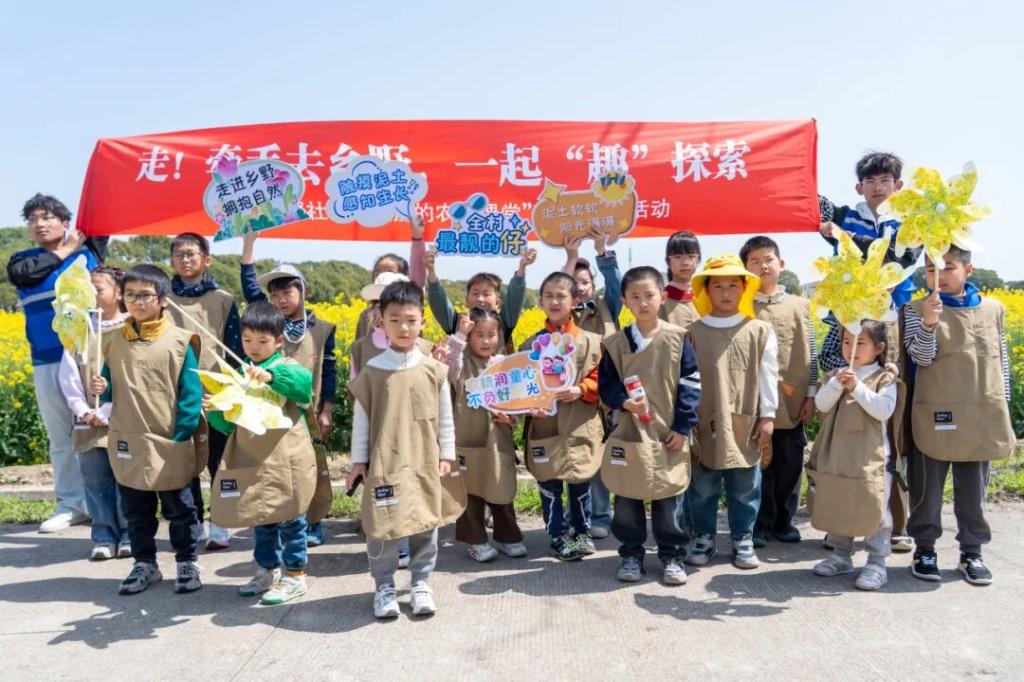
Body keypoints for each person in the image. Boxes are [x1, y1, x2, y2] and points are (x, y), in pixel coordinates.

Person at [346, 281, 465, 619]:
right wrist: (358, 462)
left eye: (411, 320)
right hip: (385, 463)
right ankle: (384, 585)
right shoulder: (373, 371)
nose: (403, 327)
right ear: (380, 321)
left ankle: (421, 582)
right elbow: (361, 421)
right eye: (394, 320)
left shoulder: (434, 369)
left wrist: (447, 455)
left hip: (424, 461)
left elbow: (445, 417)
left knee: (426, 522)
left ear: (422, 322)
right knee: (382, 525)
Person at [88, 265, 204, 595]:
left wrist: (181, 434)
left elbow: (191, 392)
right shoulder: (112, 341)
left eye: (145, 295)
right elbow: (110, 387)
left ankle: (187, 561)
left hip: (169, 438)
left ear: (163, 299)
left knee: (180, 509)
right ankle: (145, 564)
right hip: (128, 437)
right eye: (131, 295)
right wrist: (102, 387)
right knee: (136, 511)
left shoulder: (180, 341)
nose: (137, 301)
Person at [903, 246, 1015, 586]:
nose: (938, 276)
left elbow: (1000, 362)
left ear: (968, 269)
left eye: (948, 267)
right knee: (927, 489)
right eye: (930, 270)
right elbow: (920, 358)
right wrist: (929, 322)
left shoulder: (993, 309)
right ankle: (925, 549)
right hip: (935, 410)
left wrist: (1003, 406)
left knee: (973, 490)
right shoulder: (914, 309)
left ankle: (972, 551)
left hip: (981, 412)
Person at [8, 193, 108, 533]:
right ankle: (71, 503)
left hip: (90, 357)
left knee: (99, 429)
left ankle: (107, 505)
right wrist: (68, 249)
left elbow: (105, 211)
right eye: (33, 219)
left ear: (65, 222)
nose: (39, 224)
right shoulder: (23, 261)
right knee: (61, 436)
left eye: (47, 217)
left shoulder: (90, 254)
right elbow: (27, 275)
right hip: (47, 359)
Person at [206, 302, 317, 605]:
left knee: (292, 519)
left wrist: (269, 377)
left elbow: (302, 388)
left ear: (279, 341)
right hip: (252, 459)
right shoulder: (238, 373)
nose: (253, 348)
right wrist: (216, 410)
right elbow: (229, 425)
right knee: (261, 518)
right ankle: (266, 570)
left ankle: (295, 575)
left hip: (286, 459)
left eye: (262, 341)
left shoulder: (287, 366)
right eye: (247, 340)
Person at [598, 266, 700, 584]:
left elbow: (691, 384)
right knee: (627, 497)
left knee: (668, 499)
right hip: (629, 432)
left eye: (649, 295)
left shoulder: (677, 338)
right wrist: (622, 401)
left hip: (668, 431)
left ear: (663, 297)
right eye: (635, 297)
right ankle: (631, 555)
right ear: (624, 302)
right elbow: (606, 385)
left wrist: (682, 427)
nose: (643, 303)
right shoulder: (616, 343)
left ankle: (672, 556)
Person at [241, 230, 337, 547]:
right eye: (275, 295)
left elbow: (330, 371)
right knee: (278, 468)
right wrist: (249, 246)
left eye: (287, 292)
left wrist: (327, 409)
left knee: (313, 467)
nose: (281, 300)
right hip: (271, 409)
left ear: (302, 291)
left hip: (308, 410)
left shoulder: (323, 328)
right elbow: (249, 288)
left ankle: (314, 522)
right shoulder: (269, 324)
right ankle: (283, 522)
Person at [683, 254, 778, 570]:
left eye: (733, 286)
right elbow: (684, 378)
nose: (726, 293)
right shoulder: (692, 332)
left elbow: (768, 376)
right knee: (702, 485)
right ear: (706, 290)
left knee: (745, 484)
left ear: (744, 289)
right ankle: (704, 537)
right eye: (718, 286)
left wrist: (768, 416)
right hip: (703, 421)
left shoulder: (759, 330)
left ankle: (742, 538)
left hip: (745, 419)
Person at [807, 321, 903, 591]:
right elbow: (821, 404)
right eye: (847, 342)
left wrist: (857, 387)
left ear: (879, 348)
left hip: (871, 457)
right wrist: (837, 384)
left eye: (860, 343)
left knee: (875, 506)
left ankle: (876, 562)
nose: (851, 348)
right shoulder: (836, 375)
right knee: (840, 502)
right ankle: (841, 555)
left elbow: (882, 410)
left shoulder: (884, 378)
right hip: (839, 454)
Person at [166, 232, 242, 551]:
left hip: (214, 391)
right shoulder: (162, 298)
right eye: (179, 254)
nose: (185, 260)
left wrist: (234, 390)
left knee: (218, 460)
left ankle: (221, 521)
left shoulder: (223, 299)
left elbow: (235, 347)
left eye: (191, 254)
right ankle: (193, 520)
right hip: (174, 391)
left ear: (206, 259)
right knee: (184, 460)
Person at [521, 272, 604, 561]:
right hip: (545, 424)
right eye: (549, 296)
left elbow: (603, 379)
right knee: (549, 482)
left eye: (561, 296)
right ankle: (557, 536)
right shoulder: (530, 345)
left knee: (580, 479)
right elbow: (521, 386)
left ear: (575, 301)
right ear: (540, 301)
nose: (555, 302)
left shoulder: (593, 342)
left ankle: (582, 531)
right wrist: (529, 405)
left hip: (580, 423)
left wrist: (582, 389)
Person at [741, 236, 817, 547]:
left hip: (792, 396)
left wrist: (811, 393)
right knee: (760, 463)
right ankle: (760, 524)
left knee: (790, 461)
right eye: (755, 261)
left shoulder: (800, 305)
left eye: (768, 259)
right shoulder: (742, 305)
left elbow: (810, 351)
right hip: (754, 399)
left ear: (781, 264)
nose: (763, 266)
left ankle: (784, 521)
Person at [436, 307, 526, 562]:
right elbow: (449, 363)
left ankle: (508, 536)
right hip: (467, 439)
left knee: (501, 487)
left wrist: (511, 418)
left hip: (497, 440)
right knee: (470, 493)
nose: (486, 341)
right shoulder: (462, 363)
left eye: (491, 335)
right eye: (479, 335)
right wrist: (460, 334)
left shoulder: (505, 364)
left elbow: (518, 401)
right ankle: (476, 541)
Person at [57, 266, 130, 560]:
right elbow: (68, 374)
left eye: (97, 289)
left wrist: (109, 408)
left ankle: (130, 532)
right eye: (86, 290)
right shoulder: (79, 329)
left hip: (123, 418)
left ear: (119, 293)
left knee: (126, 477)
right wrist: (83, 409)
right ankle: (103, 534)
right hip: (88, 419)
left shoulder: (130, 329)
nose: (91, 295)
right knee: (95, 479)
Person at [562, 231, 622, 539]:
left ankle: (601, 514)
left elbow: (616, 285)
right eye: (573, 282)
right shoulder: (561, 316)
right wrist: (570, 257)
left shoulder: (605, 306)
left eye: (584, 282)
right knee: (575, 454)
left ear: (592, 284)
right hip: (573, 397)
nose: (580, 287)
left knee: (600, 455)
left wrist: (602, 251)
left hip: (605, 396)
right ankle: (576, 514)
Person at [818, 151, 921, 307]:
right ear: (859, 188)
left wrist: (847, 237)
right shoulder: (843, 218)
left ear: (898, 185)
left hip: (898, 312)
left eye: (885, 180)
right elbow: (807, 198)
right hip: (849, 310)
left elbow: (899, 257)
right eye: (870, 181)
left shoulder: (911, 224)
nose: (878, 187)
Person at [424, 245, 537, 351]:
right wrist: (431, 270)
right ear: (466, 301)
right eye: (475, 293)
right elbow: (439, 302)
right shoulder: (456, 323)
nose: (480, 299)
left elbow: (515, 297)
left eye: (486, 294)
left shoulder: (504, 322)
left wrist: (522, 267)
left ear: (497, 302)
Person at [353, 210, 427, 340]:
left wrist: (417, 237)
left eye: (389, 271)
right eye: (378, 272)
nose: (382, 276)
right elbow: (358, 348)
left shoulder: (410, 306)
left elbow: (418, 274)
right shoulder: (367, 316)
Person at [659, 230, 702, 330]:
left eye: (691, 256)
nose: (685, 262)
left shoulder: (705, 295)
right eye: (678, 257)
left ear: (698, 259)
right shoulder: (661, 300)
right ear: (668, 261)